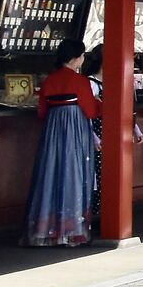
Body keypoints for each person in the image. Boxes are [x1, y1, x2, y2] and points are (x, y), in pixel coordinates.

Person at [22, 38, 99, 248]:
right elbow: (91, 110)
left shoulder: (49, 81)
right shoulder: (80, 81)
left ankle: (45, 230)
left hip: (53, 132)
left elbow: (41, 112)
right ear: (75, 58)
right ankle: (71, 231)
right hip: (75, 131)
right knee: (73, 173)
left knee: (50, 174)